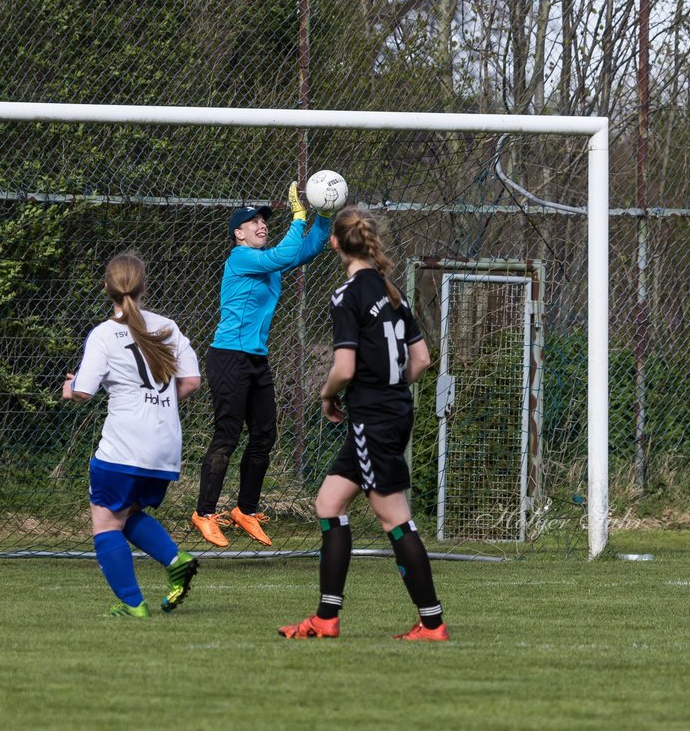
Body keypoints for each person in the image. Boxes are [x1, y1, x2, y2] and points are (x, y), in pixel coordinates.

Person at [278, 207, 448, 641]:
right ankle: (325, 619)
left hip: (373, 418)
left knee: (395, 519)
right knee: (329, 504)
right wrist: (390, 385)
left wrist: (327, 394)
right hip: (390, 412)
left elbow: (345, 367)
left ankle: (432, 623)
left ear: (334, 243)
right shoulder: (394, 293)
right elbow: (423, 359)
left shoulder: (347, 296)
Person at [192, 182, 333, 548]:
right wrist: (299, 217)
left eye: (264, 221)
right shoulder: (241, 258)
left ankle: (245, 510)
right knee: (228, 434)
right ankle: (204, 512)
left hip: (255, 359)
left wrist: (325, 215)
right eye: (253, 222)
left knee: (264, 434)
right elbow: (282, 255)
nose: (261, 225)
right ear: (238, 234)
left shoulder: (268, 264)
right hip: (228, 357)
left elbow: (306, 251)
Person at [63, 253, 202, 618]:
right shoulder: (167, 326)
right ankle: (175, 560)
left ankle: (131, 603)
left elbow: (84, 391)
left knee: (105, 519)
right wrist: (159, 401)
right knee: (127, 512)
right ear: (144, 286)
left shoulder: (105, 334)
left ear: (106, 289)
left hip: (125, 444)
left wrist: (69, 388)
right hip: (164, 445)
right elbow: (192, 380)